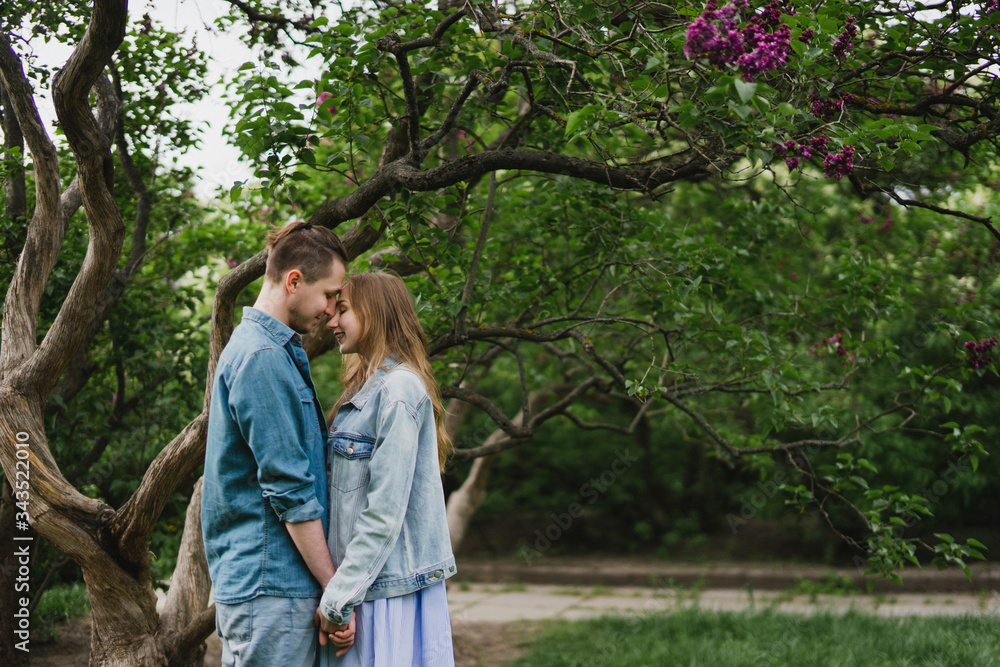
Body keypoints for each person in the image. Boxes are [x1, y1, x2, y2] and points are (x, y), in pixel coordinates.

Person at [202, 221, 355, 666]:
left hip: (273, 589)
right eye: (329, 294)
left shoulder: (274, 352)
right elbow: (290, 491)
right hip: (271, 589)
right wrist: (335, 591)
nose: (331, 310)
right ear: (294, 281)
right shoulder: (263, 358)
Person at [316, 271, 457, 666]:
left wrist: (338, 601)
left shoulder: (399, 391)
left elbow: (384, 513)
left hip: (387, 591)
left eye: (342, 310)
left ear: (374, 312)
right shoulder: (365, 390)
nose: (331, 321)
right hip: (364, 587)